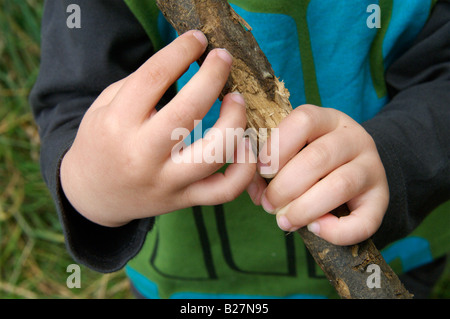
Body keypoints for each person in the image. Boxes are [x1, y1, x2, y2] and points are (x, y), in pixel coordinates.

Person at [30, 0, 450, 298]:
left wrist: (392, 159)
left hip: (393, 261)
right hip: (187, 282)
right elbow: (73, 102)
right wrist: (93, 186)